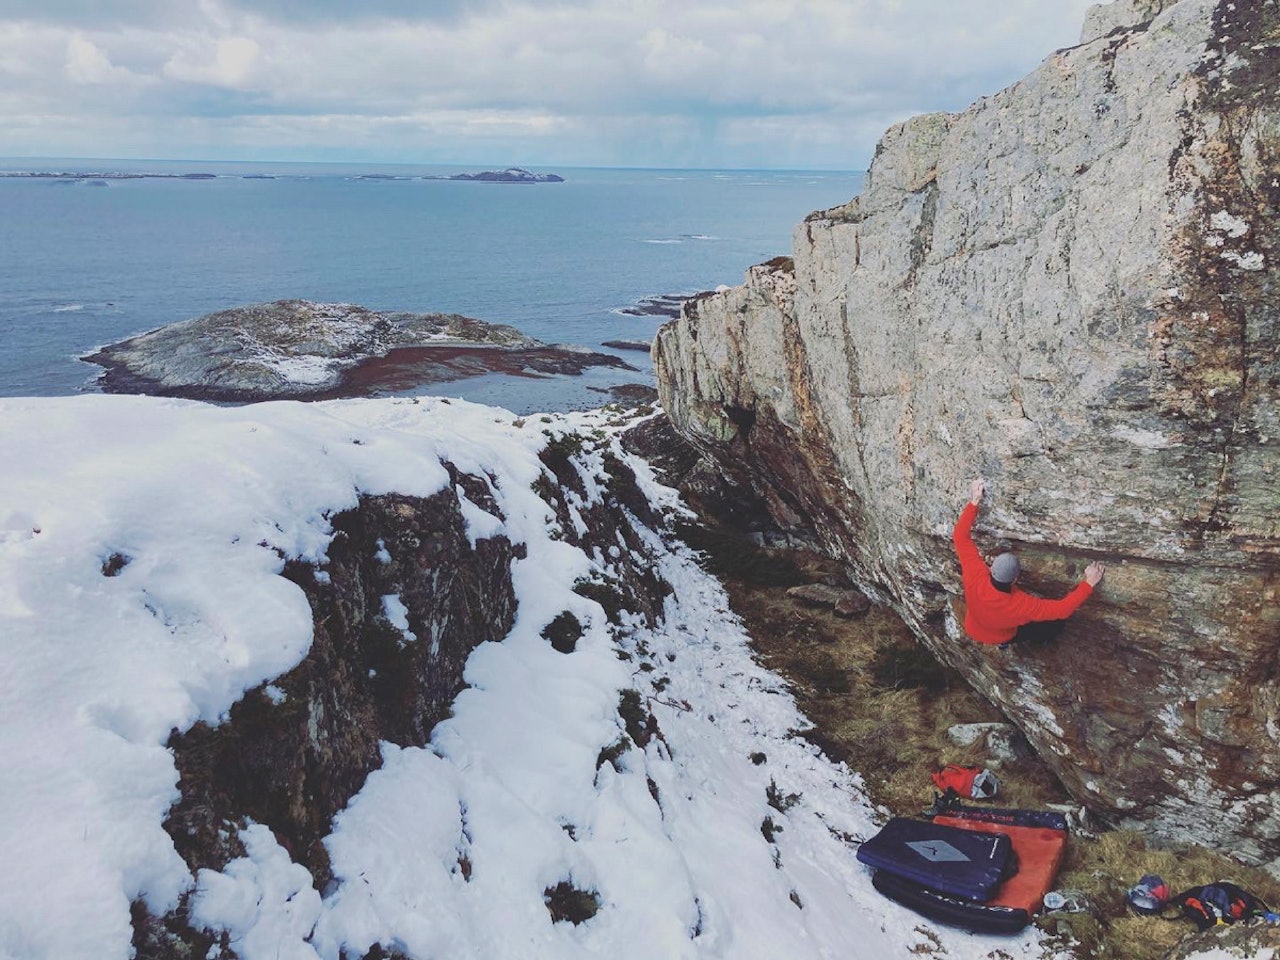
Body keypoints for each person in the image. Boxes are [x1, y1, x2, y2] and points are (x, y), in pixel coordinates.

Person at [953, 478, 1104, 646]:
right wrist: (1089, 582)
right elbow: (1062, 610)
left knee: (1003, 623)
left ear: (990, 568)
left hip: (974, 628)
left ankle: (1004, 641)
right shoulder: (1020, 606)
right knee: (1054, 625)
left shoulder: (975, 575)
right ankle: (1035, 639)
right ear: (1015, 579)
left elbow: (960, 537)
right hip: (1002, 634)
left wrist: (975, 500)